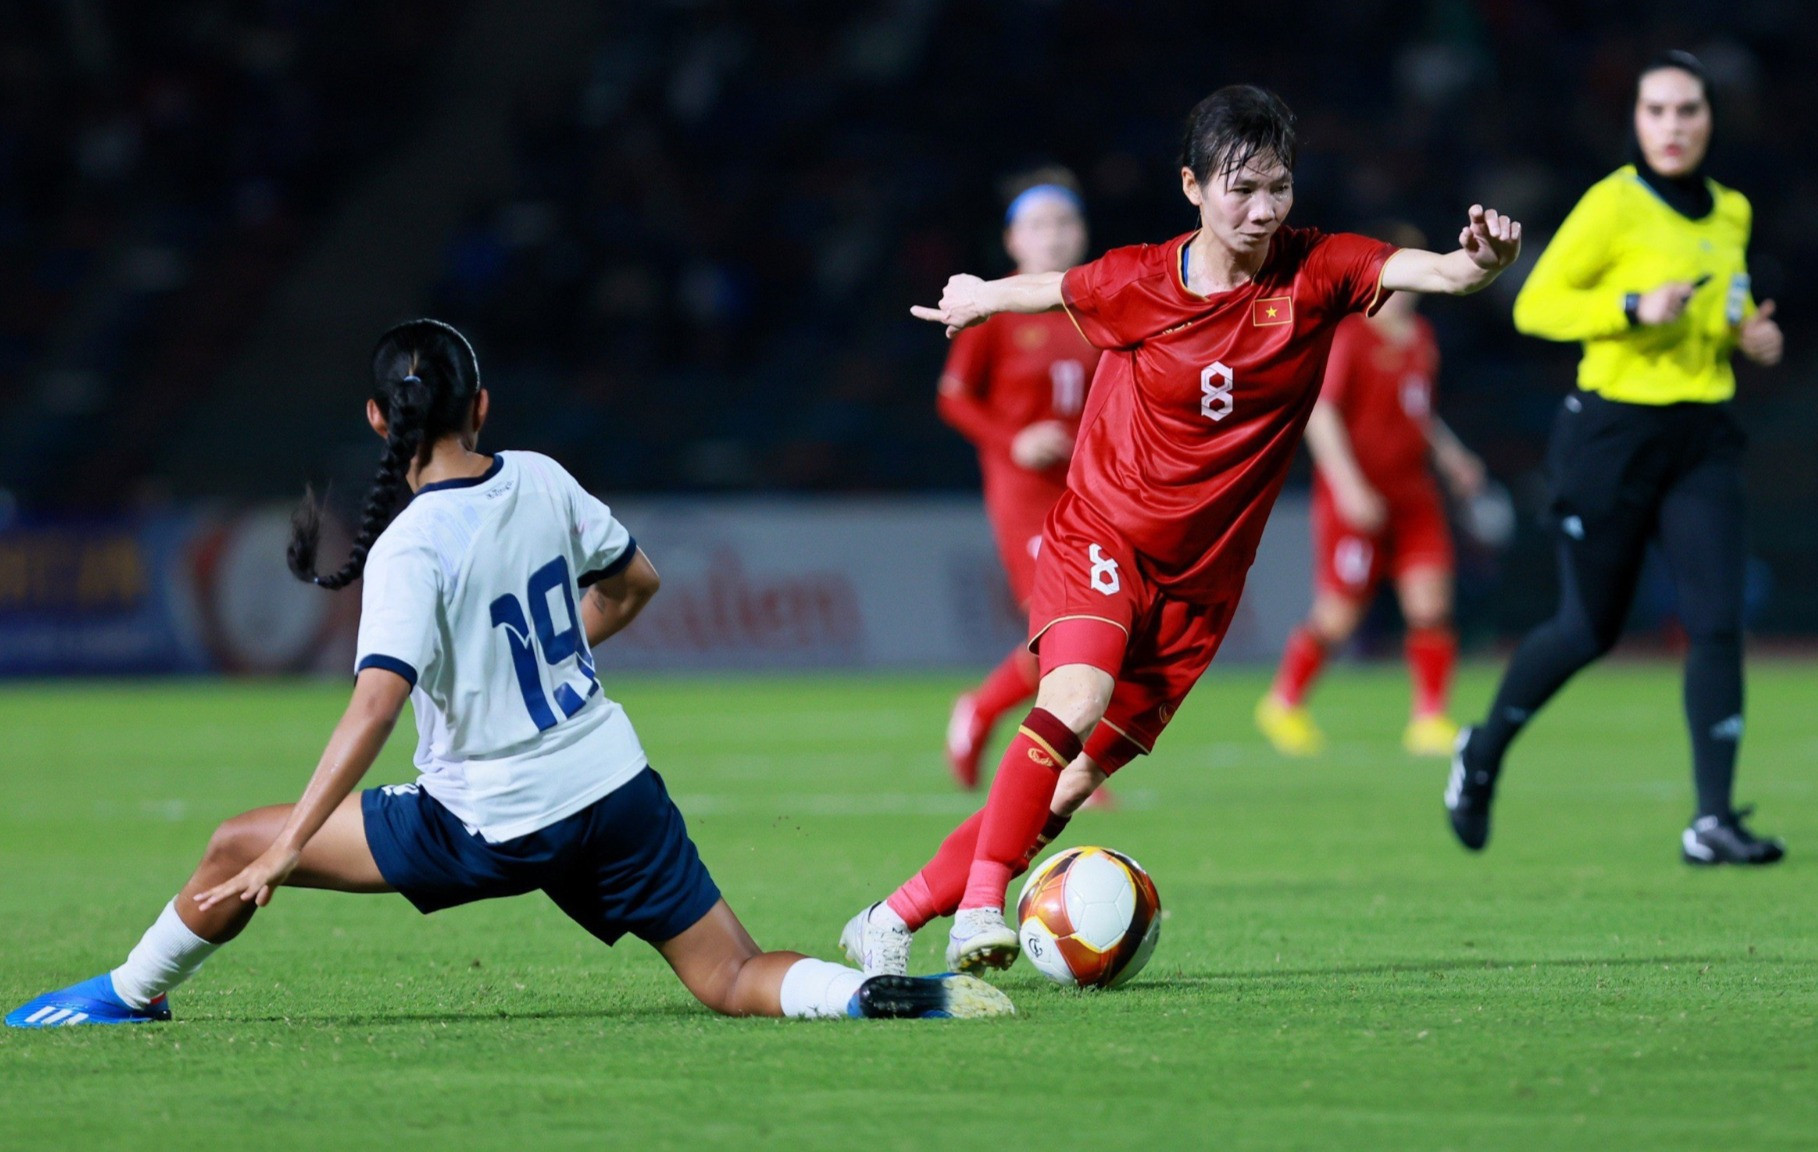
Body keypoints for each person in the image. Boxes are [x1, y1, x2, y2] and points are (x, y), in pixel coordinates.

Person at [8, 319, 1012, 1028]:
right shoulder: (540, 476)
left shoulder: (410, 546)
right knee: (731, 973)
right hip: (612, 790)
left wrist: (290, 847)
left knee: (233, 845)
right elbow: (636, 586)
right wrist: (551, 659)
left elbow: (375, 702)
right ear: (481, 405)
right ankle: (895, 996)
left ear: (374, 420)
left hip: (486, 823)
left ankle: (129, 995)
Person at [842, 85, 1522, 978]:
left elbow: (1432, 272)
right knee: (1072, 704)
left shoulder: (1316, 270)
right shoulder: (1137, 279)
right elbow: (1054, 286)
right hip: (1102, 537)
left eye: (1277, 187)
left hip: (1200, 588)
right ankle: (977, 910)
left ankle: (891, 916)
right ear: (1192, 187)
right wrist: (978, 296)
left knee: (1074, 782)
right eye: (1241, 189)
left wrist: (1482, 264)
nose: (1264, 209)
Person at [1446, 51, 1786, 865]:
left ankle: (1711, 821)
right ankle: (1483, 751)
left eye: (1688, 111)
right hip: (1612, 433)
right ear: (1636, 121)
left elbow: (1717, 310)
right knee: (1587, 628)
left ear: (1709, 119)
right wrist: (1633, 305)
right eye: (1658, 111)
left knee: (1714, 622)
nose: (1673, 126)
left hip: (1701, 431)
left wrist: (1747, 336)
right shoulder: (1614, 203)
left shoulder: (1731, 212)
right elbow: (1532, 304)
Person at [1256, 222, 1488, 758]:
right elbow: (1322, 410)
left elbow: (1417, 410)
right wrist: (1349, 487)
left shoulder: (1422, 338)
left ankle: (1429, 718)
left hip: (1413, 493)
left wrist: (1452, 457)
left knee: (1432, 602)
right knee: (1341, 612)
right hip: (1357, 495)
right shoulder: (1351, 335)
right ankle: (1283, 702)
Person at [937, 168, 1103, 790]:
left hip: (1090, 491)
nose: (1054, 237)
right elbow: (953, 398)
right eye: (1038, 226)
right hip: (1025, 493)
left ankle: (986, 712)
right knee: (1059, 627)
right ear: (1013, 241)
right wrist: (1016, 439)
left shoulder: (1095, 302)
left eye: (1065, 223)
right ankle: (1054, 761)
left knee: (1090, 628)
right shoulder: (999, 305)